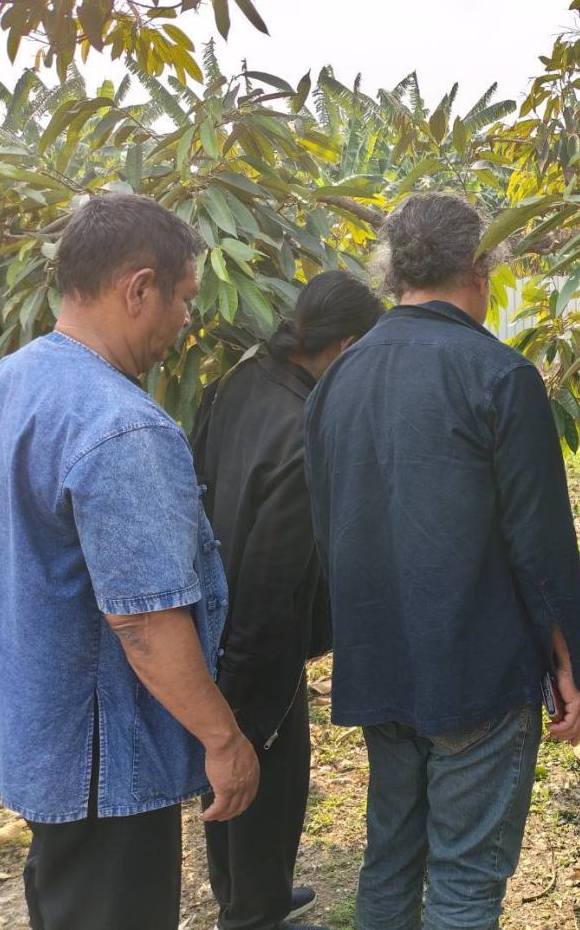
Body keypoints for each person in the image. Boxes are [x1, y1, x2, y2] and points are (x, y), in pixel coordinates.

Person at [0, 193, 259, 930]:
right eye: (185, 298)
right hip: (105, 761)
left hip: (41, 735)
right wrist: (224, 740)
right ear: (139, 289)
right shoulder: (121, 425)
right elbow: (144, 619)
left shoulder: (5, 383)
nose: (187, 319)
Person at [304, 192, 580, 930]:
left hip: (378, 663)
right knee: (465, 876)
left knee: (390, 857)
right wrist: (568, 666)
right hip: (476, 673)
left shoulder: (338, 376)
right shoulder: (500, 375)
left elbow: (327, 520)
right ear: (481, 263)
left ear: (393, 272)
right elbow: (540, 543)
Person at [192, 271, 383, 930]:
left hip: (213, 618)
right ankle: (252, 913)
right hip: (257, 642)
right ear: (347, 345)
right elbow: (274, 581)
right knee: (263, 784)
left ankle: (255, 895)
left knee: (239, 784)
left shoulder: (242, 380)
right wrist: (244, 692)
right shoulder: (304, 431)